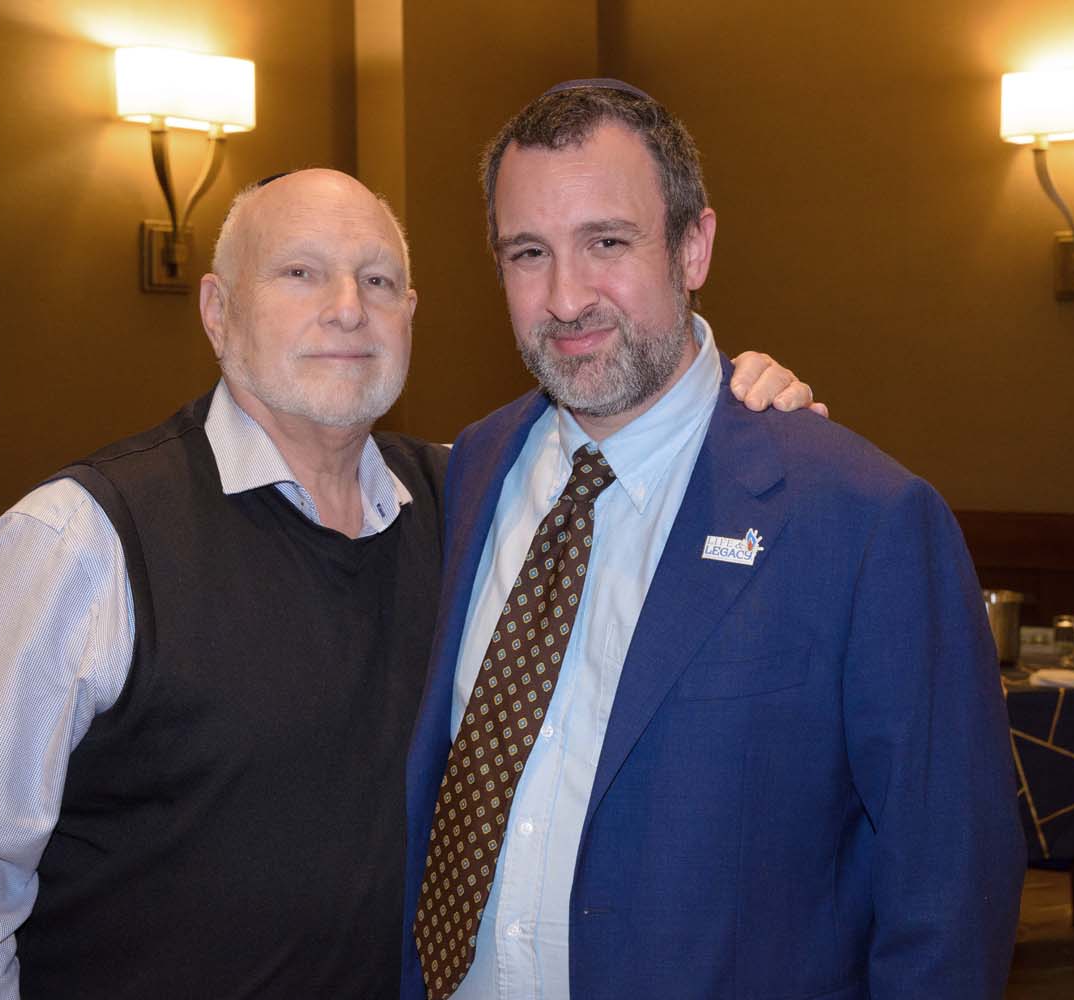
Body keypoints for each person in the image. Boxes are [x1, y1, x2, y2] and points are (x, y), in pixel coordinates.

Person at [0, 167, 818, 998]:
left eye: (378, 281)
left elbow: (636, 474)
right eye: (300, 273)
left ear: (411, 314)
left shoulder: (473, 505)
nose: (347, 309)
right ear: (217, 311)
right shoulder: (77, 543)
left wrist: (735, 405)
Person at [400, 81, 1026, 1000]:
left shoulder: (860, 519)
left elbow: (949, 891)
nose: (565, 297)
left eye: (607, 243)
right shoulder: (473, 471)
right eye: (529, 252)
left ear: (693, 246)